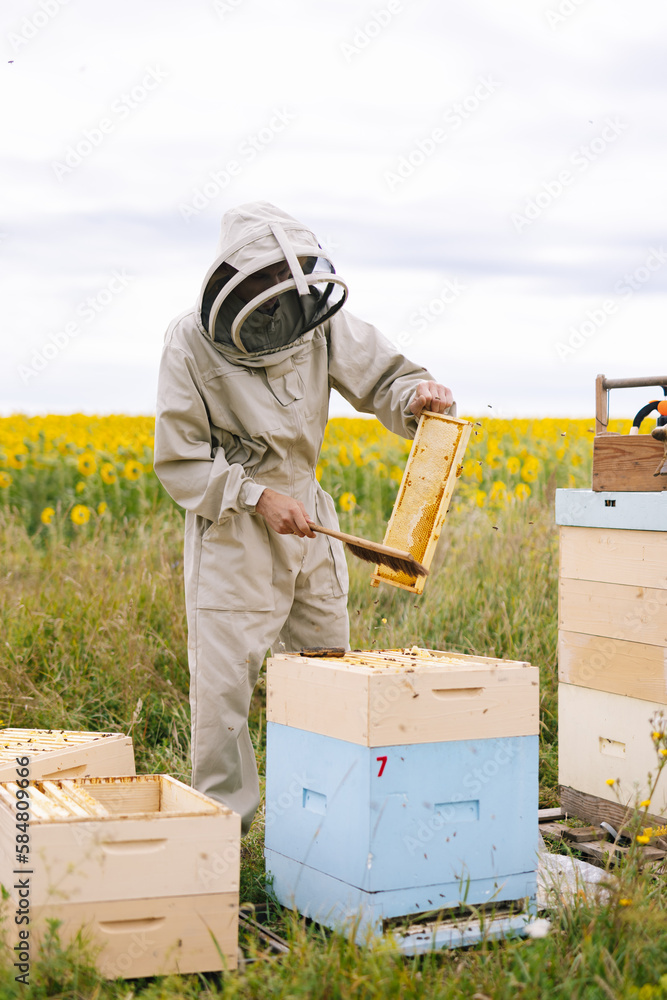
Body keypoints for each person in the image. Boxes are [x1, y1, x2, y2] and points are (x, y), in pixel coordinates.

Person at [154, 200, 453, 835]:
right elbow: (179, 460)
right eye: (259, 285)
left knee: (330, 672)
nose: (273, 302)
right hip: (233, 530)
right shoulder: (187, 342)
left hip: (310, 522)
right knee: (224, 698)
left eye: (280, 288)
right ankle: (220, 845)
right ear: (232, 280)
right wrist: (256, 497)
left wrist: (417, 395)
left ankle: (328, 824)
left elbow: (387, 378)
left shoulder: (315, 319)